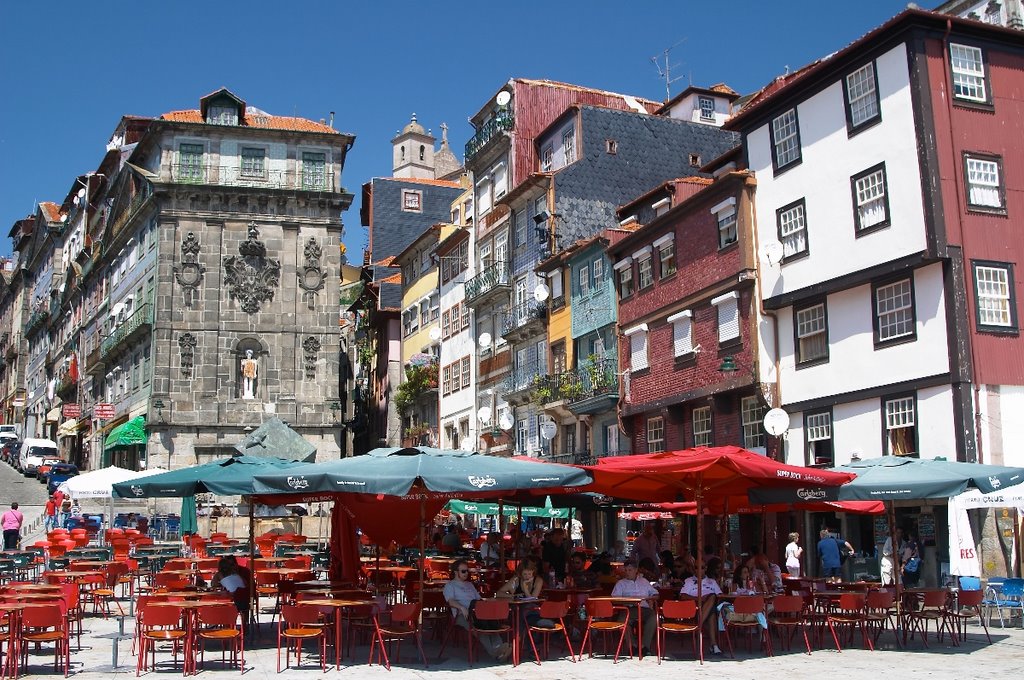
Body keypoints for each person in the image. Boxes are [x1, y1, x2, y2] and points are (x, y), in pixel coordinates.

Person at [442, 559, 512, 661]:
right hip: (461, 615)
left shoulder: (469, 585)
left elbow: (478, 599)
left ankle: (500, 650)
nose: (466, 573)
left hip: (476, 612)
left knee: (491, 624)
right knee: (478, 628)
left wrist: (489, 601)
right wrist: (462, 607)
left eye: (467, 571)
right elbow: (450, 601)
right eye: (463, 571)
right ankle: (496, 652)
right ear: (456, 572)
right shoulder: (450, 585)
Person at [611, 559, 659, 656]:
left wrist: (650, 598)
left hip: (643, 608)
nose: (627, 572)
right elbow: (614, 599)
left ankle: (645, 646)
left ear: (636, 570)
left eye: (630, 570)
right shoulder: (620, 583)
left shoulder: (644, 581)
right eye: (626, 570)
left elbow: (655, 593)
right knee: (622, 621)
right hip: (629, 609)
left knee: (653, 617)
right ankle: (631, 646)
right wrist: (627, 600)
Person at [679, 557, 723, 655]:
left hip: (709, 606)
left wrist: (707, 598)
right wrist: (699, 599)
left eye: (702, 567)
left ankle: (699, 625)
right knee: (711, 613)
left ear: (706, 568)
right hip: (694, 607)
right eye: (696, 567)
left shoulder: (712, 581)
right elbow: (683, 596)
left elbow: (719, 596)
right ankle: (714, 645)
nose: (699, 570)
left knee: (712, 598)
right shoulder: (689, 581)